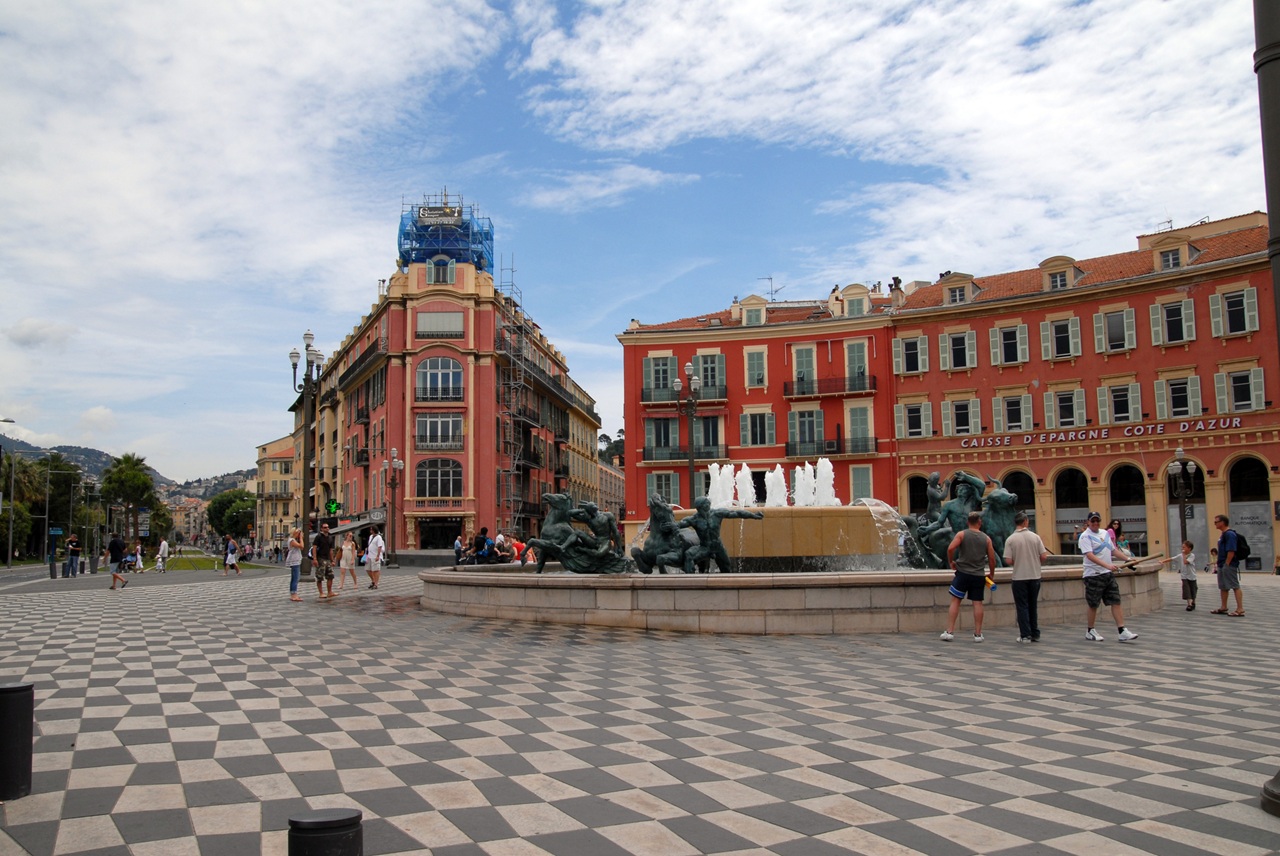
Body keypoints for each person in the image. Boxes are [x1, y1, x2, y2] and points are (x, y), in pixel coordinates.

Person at [1078, 511, 1138, 642]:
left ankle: (1122, 630)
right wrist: (1107, 565)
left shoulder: (1104, 533)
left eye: (1097, 521)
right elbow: (1089, 555)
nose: (1095, 523)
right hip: (1093, 575)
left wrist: (1128, 559)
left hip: (1107, 574)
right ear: (1088, 522)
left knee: (1116, 601)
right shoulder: (1084, 537)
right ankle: (1090, 630)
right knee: (1093, 604)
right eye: (1092, 521)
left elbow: (1113, 550)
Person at [940, 511, 996, 642]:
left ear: (967, 522)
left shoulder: (962, 534)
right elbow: (992, 559)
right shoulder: (986, 539)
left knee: (955, 601)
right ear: (979, 523)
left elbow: (950, 548)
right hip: (978, 575)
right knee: (977, 603)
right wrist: (991, 574)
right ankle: (978, 634)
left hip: (963, 573)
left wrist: (951, 562)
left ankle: (950, 631)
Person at [676, 497, 764, 573]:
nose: (708, 505)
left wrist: (754, 516)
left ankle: (728, 587)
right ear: (699, 507)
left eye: (708, 504)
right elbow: (679, 525)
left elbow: (737, 513)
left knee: (726, 568)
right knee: (689, 555)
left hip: (718, 547)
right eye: (705, 504)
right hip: (704, 547)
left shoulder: (717, 514)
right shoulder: (693, 519)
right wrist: (669, 526)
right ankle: (689, 583)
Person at [1003, 511, 1048, 643]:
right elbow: (1044, 556)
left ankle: (1025, 634)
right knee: (1033, 605)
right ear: (1025, 522)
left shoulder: (1010, 539)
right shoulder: (1035, 537)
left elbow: (1008, 560)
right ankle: (1035, 633)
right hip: (1034, 575)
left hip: (1019, 577)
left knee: (1022, 606)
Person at [1211, 514, 1245, 616]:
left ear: (1222, 522)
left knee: (1235, 585)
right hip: (1222, 564)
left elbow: (1231, 550)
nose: (1215, 524)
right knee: (1223, 586)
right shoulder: (1223, 534)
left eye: (1216, 522)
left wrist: (1227, 563)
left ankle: (1240, 609)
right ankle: (1223, 606)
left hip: (1229, 564)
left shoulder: (1229, 534)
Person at [1161, 540, 1197, 610]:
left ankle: (1193, 602)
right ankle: (1189, 604)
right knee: (1186, 590)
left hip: (1192, 576)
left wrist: (1183, 555)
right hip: (1184, 576)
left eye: (1184, 547)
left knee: (1193, 590)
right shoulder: (1180, 555)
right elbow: (1172, 559)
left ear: (1189, 548)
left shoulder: (1192, 556)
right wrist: (1162, 561)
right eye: (1182, 547)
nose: (1182, 549)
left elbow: (1185, 562)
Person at [312, 523, 335, 599]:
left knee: (330, 576)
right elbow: (314, 548)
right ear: (321, 529)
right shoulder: (318, 537)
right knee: (320, 577)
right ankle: (321, 593)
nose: (327, 529)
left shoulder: (330, 537)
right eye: (325, 527)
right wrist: (315, 559)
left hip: (328, 559)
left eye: (328, 527)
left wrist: (332, 560)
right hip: (320, 558)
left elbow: (331, 550)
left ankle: (329, 592)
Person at [286, 528, 304, 601]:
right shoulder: (292, 540)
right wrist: (301, 538)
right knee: (295, 578)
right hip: (294, 561)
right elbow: (302, 546)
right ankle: (294, 594)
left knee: (294, 577)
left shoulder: (292, 540)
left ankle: (293, 593)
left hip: (295, 560)